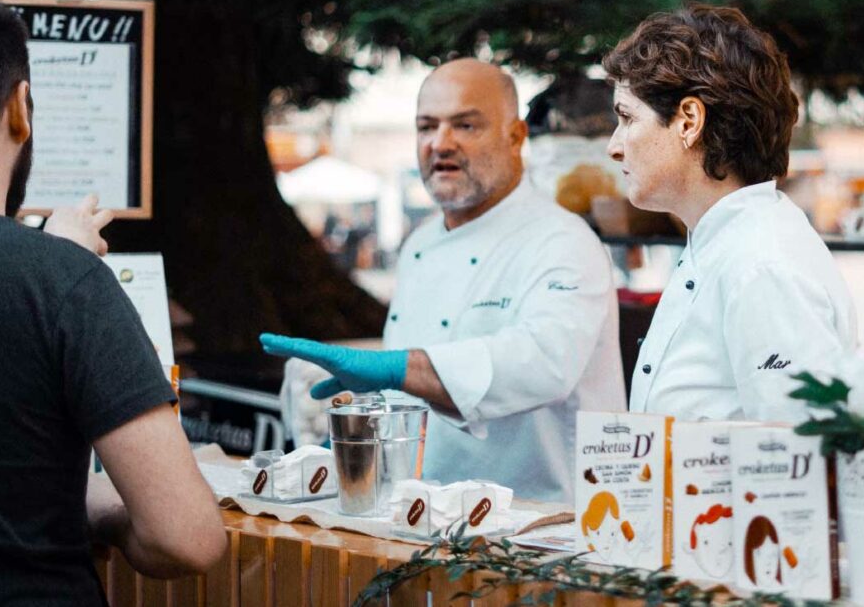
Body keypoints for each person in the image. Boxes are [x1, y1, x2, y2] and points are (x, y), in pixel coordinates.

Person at [262, 58, 624, 502]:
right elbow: (413, 404)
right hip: (428, 517)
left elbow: (545, 363)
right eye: (426, 126)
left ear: (516, 137)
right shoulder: (419, 247)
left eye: (466, 126)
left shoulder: (564, 240)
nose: (440, 143)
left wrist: (396, 368)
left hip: (539, 524)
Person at [0, 0, 226, 605]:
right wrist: (106, 515)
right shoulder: (63, 282)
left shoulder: (52, 274)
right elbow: (185, 537)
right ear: (21, 109)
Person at [603, 5, 855, 420]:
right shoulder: (728, 241)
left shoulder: (761, 265)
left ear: (688, 121)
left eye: (627, 118)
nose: (614, 146)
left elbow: (795, 457)